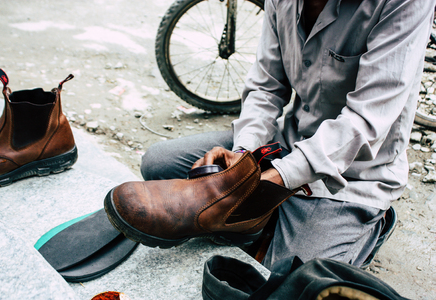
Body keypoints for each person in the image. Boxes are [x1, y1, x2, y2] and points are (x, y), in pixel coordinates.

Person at [141, 0, 435, 269]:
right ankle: (266, 216)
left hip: (355, 176)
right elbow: (266, 87)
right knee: (159, 164)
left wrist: (274, 180)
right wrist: (244, 157)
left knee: (291, 277)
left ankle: (370, 223)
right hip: (287, 143)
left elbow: (366, 120)